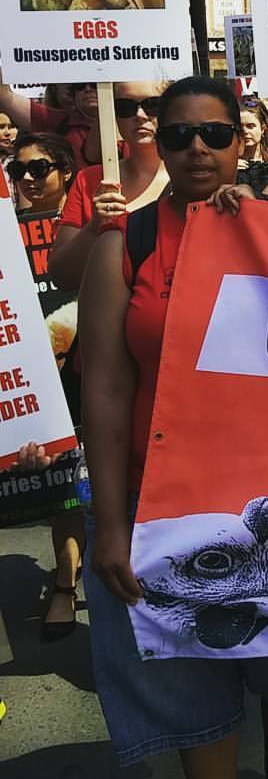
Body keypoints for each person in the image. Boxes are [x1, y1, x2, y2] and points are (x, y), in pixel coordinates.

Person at [78, 76, 268, 776]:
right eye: (178, 134)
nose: (196, 149)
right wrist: (112, 523)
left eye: (214, 134)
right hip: (162, 509)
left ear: (239, 142)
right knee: (194, 703)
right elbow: (105, 387)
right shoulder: (125, 243)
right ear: (158, 141)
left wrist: (267, 229)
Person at [4, 134, 83, 638]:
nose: (30, 178)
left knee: (95, 488)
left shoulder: (84, 229)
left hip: (89, 371)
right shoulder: (6, 233)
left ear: (66, 173)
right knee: (61, 489)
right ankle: (64, 584)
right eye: (19, 171)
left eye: (41, 168)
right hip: (39, 380)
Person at [49, 83, 169, 293]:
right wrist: (95, 227)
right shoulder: (90, 180)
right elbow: (62, 276)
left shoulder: (193, 175)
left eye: (153, 105)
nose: (140, 115)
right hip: (108, 318)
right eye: (125, 106)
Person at [0, 82, 105, 172]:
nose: (87, 89)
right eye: (80, 85)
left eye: (95, 84)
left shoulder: (121, 123)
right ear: (73, 94)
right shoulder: (58, 121)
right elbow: (6, 97)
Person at [236, 99, 268, 194]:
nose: (245, 132)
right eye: (240, 127)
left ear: (262, 128)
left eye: (250, 126)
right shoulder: (229, 159)